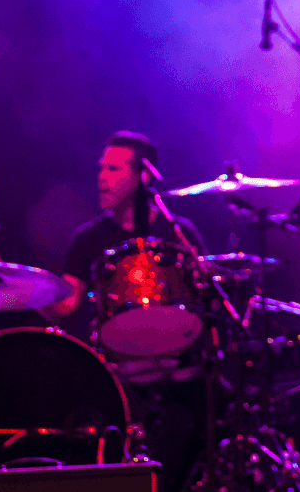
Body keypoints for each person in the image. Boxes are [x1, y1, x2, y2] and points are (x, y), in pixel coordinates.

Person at [42, 131, 208, 488]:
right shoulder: (88, 239)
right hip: (119, 380)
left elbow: (204, 298)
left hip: (179, 375)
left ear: (143, 176)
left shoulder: (178, 232)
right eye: (101, 169)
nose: (102, 177)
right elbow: (67, 303)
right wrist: (27, 293)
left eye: (114, 169)